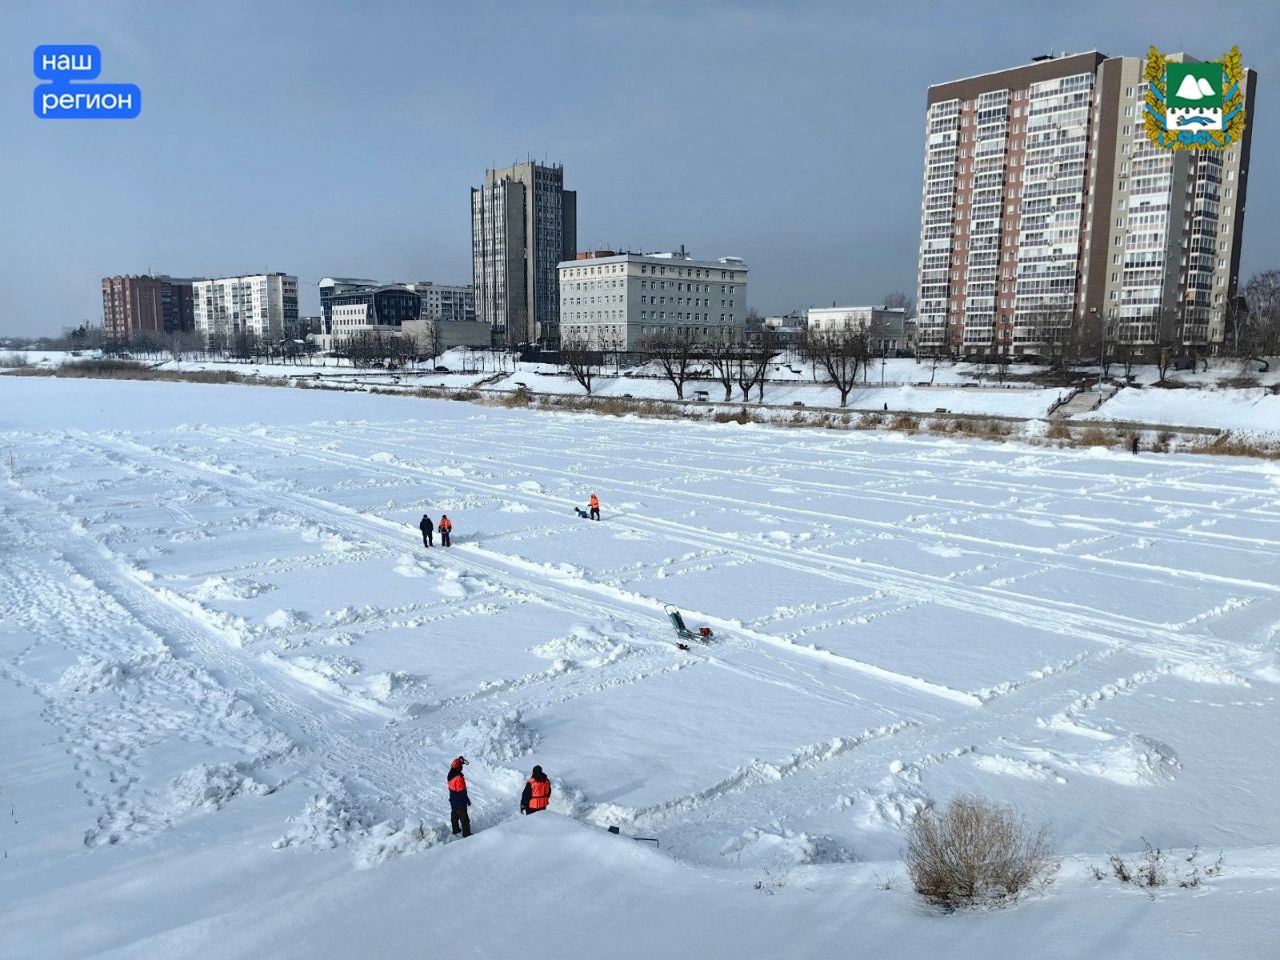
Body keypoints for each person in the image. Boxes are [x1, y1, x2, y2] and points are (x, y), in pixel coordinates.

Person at [447, 756, 471, 837]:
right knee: (464, 818)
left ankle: (456, 830)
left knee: (454, 815)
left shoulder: (450, 774)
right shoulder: (459, 777)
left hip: (453, 799)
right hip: (460, 801)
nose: (462, 767)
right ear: (458, 767)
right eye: (461, 766)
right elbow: (462, 792)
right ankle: (467, 834)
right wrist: (467, 800)